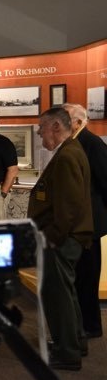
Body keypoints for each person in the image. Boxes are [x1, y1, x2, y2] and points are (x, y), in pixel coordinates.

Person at [27, 107, 93, 371]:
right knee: (67, 292)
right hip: (68, 237)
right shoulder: (71, 151)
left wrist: (50, 239)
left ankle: (67, 353)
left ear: (56, 126)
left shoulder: (67, 156)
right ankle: (75, 341)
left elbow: (67, 208)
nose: (40, 133)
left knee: (58, 295)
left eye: (42, 128)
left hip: (62, 239)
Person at [63, 103, 107, 339]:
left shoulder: (92, 143)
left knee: (87, 279)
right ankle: (83, 325)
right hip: (80, 224)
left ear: (78, 122)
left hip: (89, 225)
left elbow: (105, 180)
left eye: (66, 118)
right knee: (80, 278)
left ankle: (90, 327)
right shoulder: (75, 143)